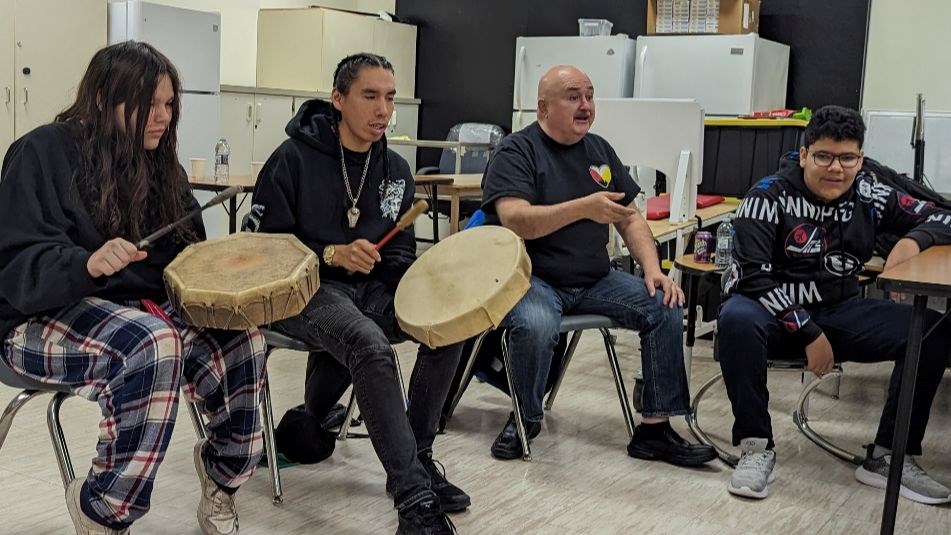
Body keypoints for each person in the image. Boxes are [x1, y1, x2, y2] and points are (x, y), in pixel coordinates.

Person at [0, 41, 265, 535]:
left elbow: (184, 258)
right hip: (35, 318)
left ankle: (223, 477)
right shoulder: (40, 152)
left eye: (169, 105)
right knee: (151, 345)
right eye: (150, 104)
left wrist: (228, 276)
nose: (162, 117)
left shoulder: (161, 164)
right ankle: (102, 510)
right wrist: (86, 264)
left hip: (137, 313)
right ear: (103, 97)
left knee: (242, 337)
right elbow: (18, 267)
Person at [246, 53, 466, 534]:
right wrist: (330, 254)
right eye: (370, 96)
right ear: (339, 99)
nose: (383, 109)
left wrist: (424, 288)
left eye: (390, 97)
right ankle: (413, 500)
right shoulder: (293, 158)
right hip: (302, 291)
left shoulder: (395, 170)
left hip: (368, 291)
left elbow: (400, 255)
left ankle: (419, 457)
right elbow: (261, 250)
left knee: (448, 326)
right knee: (369, 344)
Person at [480, 65, 716, 466]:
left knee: (663, 305)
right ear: (542, 107)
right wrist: (583, 208)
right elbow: (516, 219)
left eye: (590, 96)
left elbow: (629, 218)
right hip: (531, 277)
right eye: (573, 96)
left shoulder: (600, 150)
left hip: (594, 278)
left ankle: (655, 430)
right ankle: (524, 419)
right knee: (535, 324)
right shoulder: (516, 152)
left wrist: (653, 271)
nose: (586, 105)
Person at [719, 105, 951, 503]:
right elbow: (753, 278)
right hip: (770, 314)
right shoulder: (766, 196)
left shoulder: (869, 193)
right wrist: (808, 332)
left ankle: (889, 456)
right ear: (805, 153)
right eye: (824, 156)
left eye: (848, 158)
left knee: (932, 328)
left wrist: (912, 241)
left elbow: (944, 217)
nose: (836, 169)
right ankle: (756, 448)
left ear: (861, 159)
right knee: (735, 317)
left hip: (839, 312)